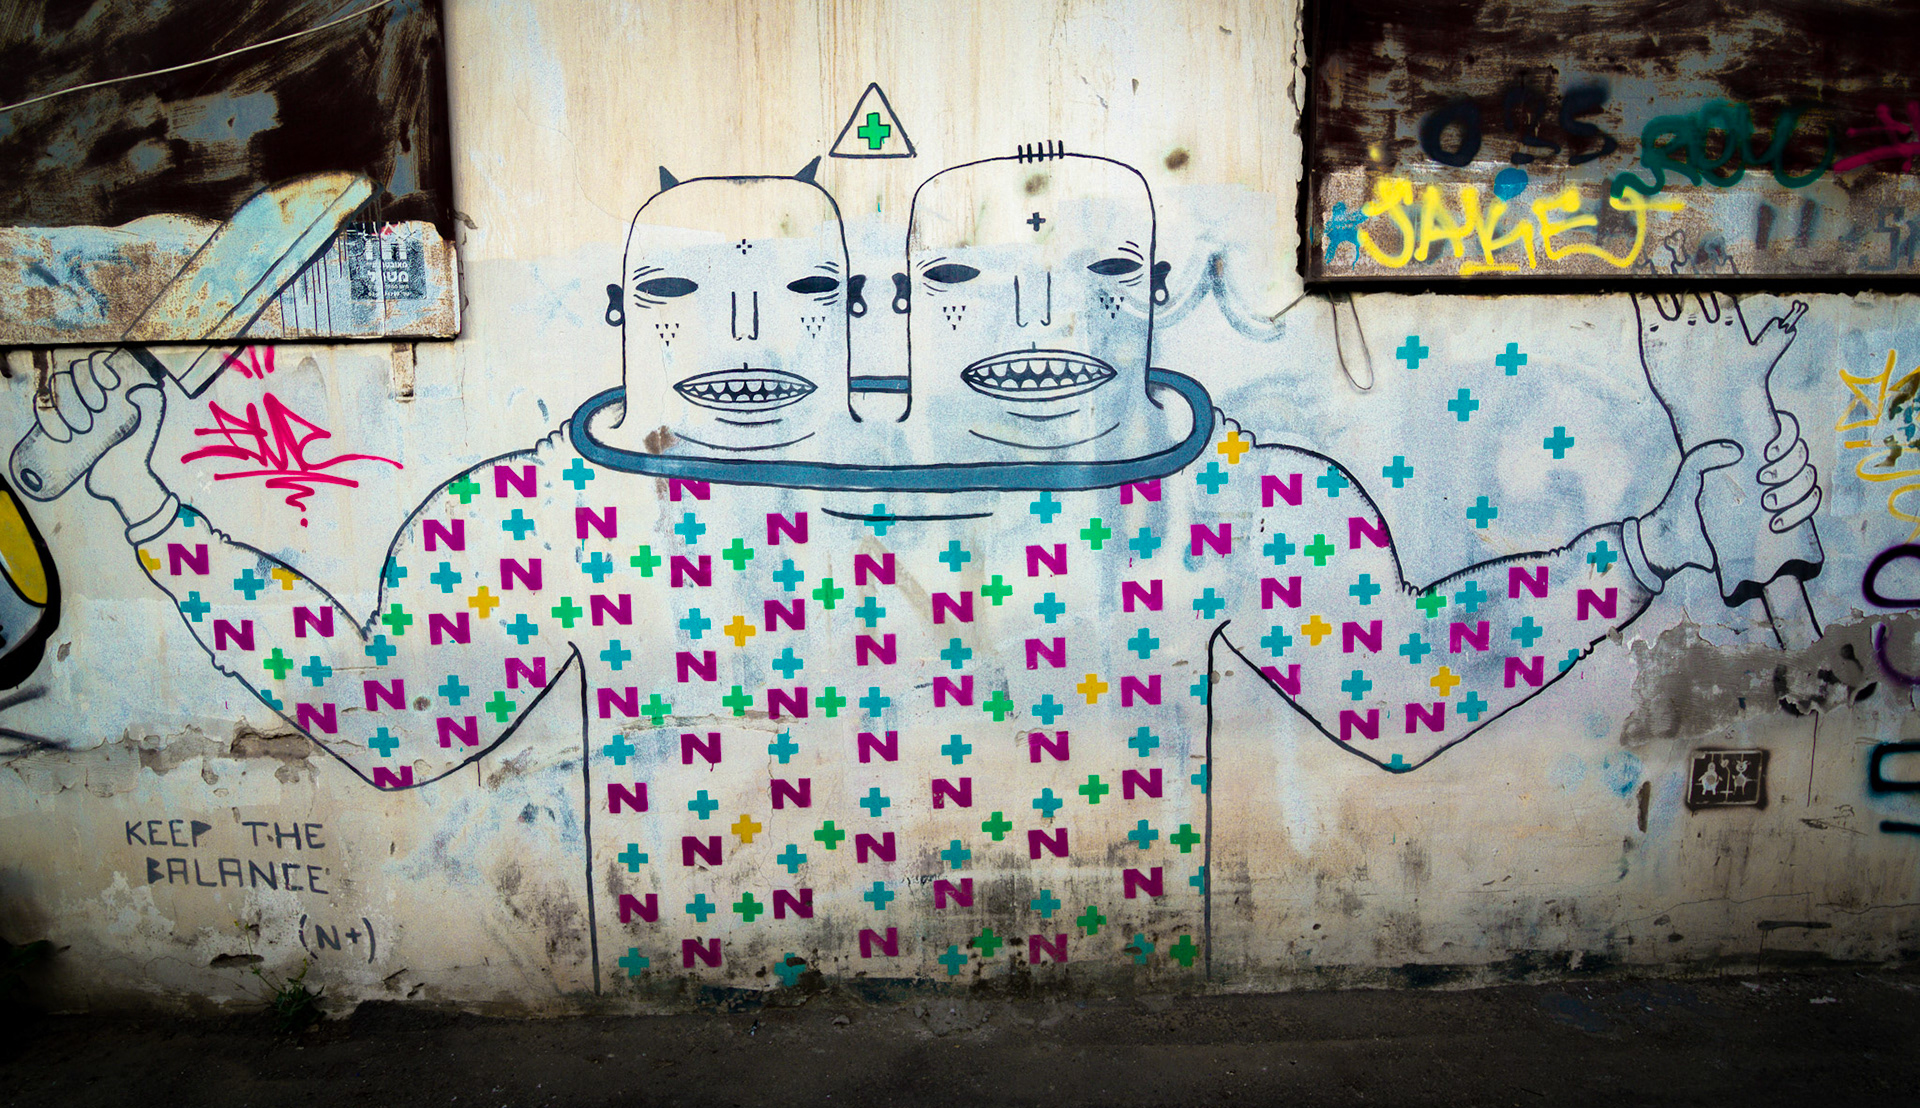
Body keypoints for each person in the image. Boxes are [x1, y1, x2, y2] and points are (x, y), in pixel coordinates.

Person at [36, 151, 1820, 985]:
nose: (745, 343)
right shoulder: (548, 512)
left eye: (1087, 279)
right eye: (688, 301)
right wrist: (148, 508)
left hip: (1111, 987)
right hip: (689, 1007)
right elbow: (393, 714)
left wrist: (1666, 535)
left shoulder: (1232, 497)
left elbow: (1402, 685)